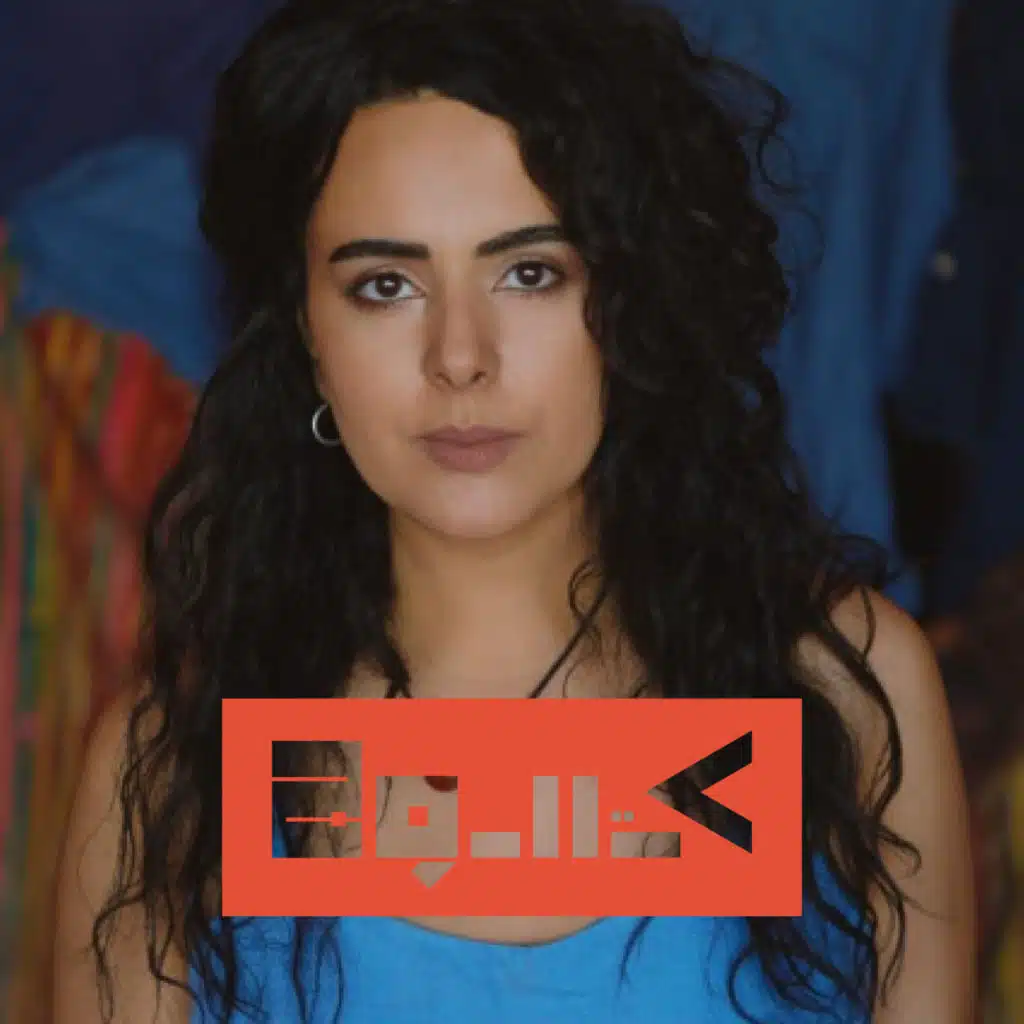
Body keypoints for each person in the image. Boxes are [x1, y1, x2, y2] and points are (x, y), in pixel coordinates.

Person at [52, 1, 975, 1021]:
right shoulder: (178, 769)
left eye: (530, 273)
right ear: (307, 335)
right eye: (385, 285)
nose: (460, 356)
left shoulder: (841, 695)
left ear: (630, 305)